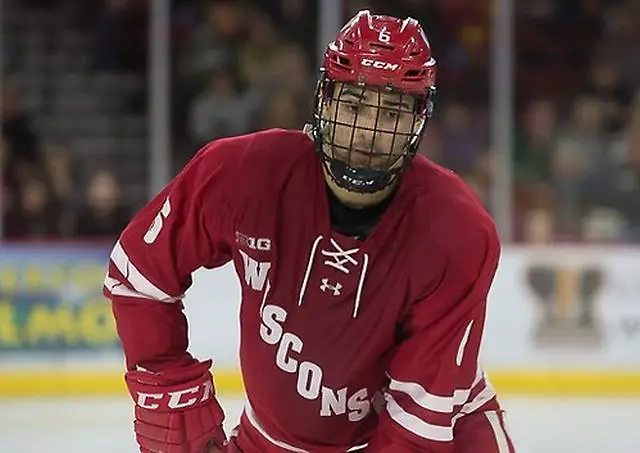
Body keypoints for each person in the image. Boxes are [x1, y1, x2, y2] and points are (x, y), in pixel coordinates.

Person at [104, 10, 516, 453]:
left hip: (437, 435)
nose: (369, 133)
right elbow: (137, 275)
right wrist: (170, 393)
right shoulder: (244, 175)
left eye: (392, 112)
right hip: (270, 439)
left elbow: (419, 423)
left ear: (419, 122)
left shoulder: (456, 232)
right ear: (324, 100)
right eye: (355, 105)